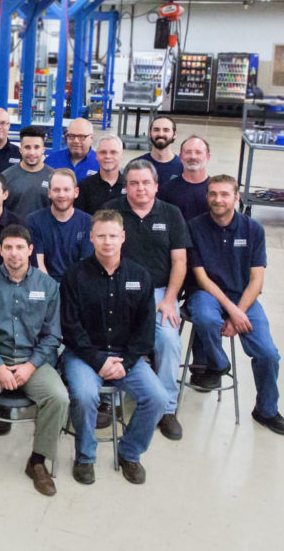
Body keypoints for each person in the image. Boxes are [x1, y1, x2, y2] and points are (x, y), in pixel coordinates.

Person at [61, 210, 168, 485]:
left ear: (122, 237)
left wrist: (127, 362)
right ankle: (85, 457)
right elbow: (70, 328)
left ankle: (130, 453)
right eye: (101, 236)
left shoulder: (140, 276)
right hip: (84, 356)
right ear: (92, 238)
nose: (107, 242)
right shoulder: (74, 276)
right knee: (85, 397)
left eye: (112, 236)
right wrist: (98, 361)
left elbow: (145, 332)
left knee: (157, 398)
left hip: (126, 358)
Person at [0, 225, 67, 496]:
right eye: (8, 247)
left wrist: (30, 366)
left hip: (34, 361)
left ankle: (38, 462)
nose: (14, 253)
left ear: (31, 251)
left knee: (58, 397)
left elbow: (52, 335)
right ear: (0, 250)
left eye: (20, 247)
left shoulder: (48, 286)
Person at [185, 175, 284, 435]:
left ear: (236, 197)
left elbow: (256, 279)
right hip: (207, 293)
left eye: (224, 194)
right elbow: (201, 277)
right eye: (213, 194)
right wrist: (232, 312)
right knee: (206, 318)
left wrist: (237, 312)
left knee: (268, 354)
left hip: (243, 296)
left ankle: (266, 410)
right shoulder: (195, 227)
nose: (218, 199)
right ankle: (219, 363)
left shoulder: (253, 229)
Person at [107, 160, 189, 441]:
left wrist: (169, 300)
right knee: (109, 336)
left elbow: (180, 261)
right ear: (125, 186)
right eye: (133, 183)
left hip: (158, 293)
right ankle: (107, 400)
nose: (140, 188)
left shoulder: (171, 214)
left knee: (168, 339)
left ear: (156, 186)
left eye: (146, 183)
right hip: (117, 290)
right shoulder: (112, 211)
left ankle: (165, 408)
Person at [27, 169, 93, 280]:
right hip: (45, 285)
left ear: (76, 192)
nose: (61, 195)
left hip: (76, 285)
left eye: (66, 189)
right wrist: (52, 290)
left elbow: (85, 265)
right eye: (56, 190)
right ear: (49, 193)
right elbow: (38, 264)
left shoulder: (88, 222)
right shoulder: (34, 220)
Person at [2, 125, 55, 217]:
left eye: (36, 147)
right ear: (20, 149)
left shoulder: (54, 177)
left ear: (43, 150)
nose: (32, 153)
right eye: (27, 147)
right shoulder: (6, 177)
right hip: (14, 230)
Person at [159, 136, 211, 221]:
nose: (193, 157)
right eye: (188, 152)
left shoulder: (215, 190)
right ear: (180, 157)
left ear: (207, 157)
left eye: (198, 152)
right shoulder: (166, 190)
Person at [75, 135, 126, 215]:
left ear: (122, 154)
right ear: (96, 155)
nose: (108, 156)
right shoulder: (84, 186)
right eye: (103, 152)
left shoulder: (130, 185)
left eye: (113, 152)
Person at [133, 116, 183, 183]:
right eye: (156, 130)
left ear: (174, 134)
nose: (161, 134)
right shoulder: (136, 165)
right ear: (150, 133)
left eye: (166, 130)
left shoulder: (183, 167)